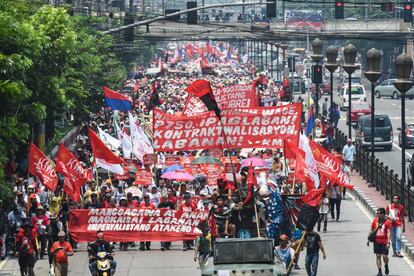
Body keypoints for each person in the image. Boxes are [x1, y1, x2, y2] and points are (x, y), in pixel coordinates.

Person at [367, 208, 392, 276]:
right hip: (376, 241)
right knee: (378, 256)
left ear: (383, 214)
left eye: (379, 213)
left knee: (385, 256)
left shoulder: (388, 222)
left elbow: (389, 232)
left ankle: (386, 265)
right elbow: (371, 229)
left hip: (384, 241)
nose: (377, 214)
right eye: (377, 213)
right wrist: (368, 239)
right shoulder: (375, 220)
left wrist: (388, 242)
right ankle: (380, 271)